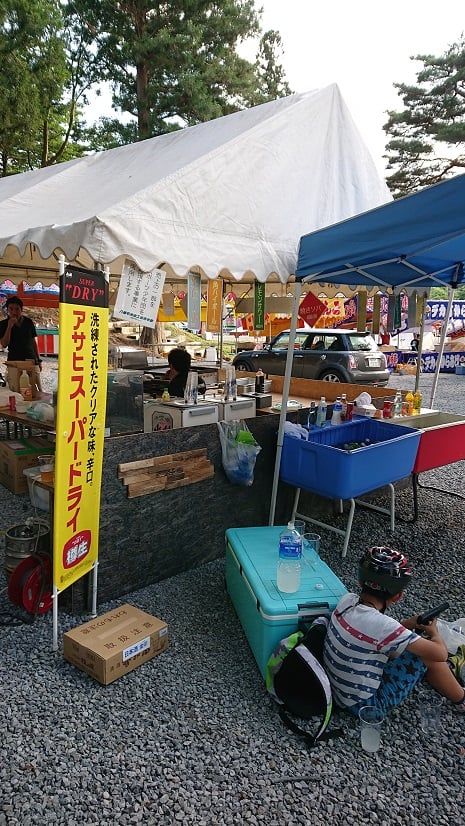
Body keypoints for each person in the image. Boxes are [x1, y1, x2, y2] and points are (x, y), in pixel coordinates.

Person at [323, 546, 465, 717]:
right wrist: (434, 633)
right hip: (368, 707)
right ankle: (462, 700)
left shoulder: (347, 601)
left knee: (412, 648)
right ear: (398, 596)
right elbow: (440, 654)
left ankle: (441, 678)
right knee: (426, 655)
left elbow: (378, 635)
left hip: (338, 694)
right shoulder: (384, 625)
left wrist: (409, 624)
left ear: (361, 582)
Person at [0, 296, 42, 390]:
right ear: (7, 310)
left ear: (21, 309)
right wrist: (9, 326)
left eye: (17, 309)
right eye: (11, 309)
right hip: (14, 361)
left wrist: (39, 360)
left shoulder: (28, 322)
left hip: (31, 360)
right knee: (15, 389)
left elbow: (33, 342)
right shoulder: (3, 324)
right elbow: (4, 344)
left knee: (35, 389)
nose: (14, 312)